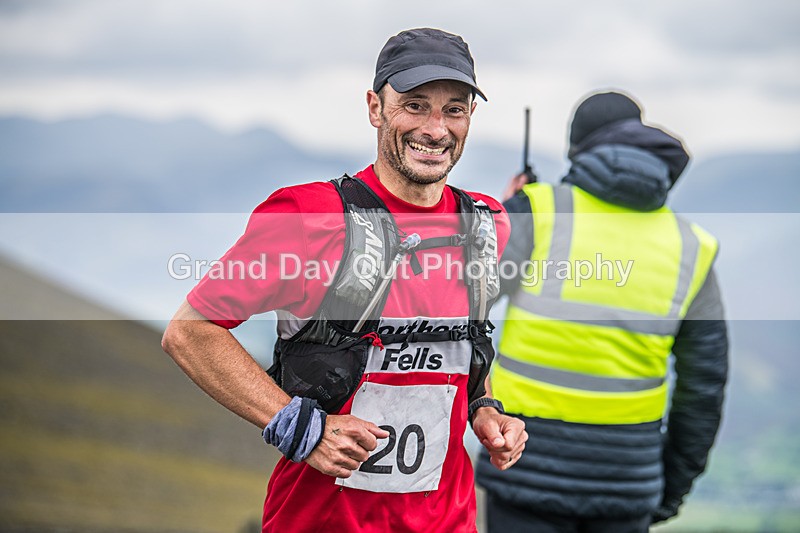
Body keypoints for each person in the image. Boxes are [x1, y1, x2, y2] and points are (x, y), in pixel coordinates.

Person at [161, 28, 527, 533]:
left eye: (455, 109)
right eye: (415, 106)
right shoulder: (305, 216)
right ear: (375, 108)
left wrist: (483, 407)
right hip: (319, 521)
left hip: (450, 521)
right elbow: (191, 332)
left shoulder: (486, 222)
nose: (436, 129)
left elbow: (460, 346)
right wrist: (303, 429)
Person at [476, 91, 728, 532]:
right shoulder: (691, 247)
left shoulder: (540, 211)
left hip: (519, 468)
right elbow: (704, 388)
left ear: (577, 152)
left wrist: (503, 218)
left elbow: (455, 310)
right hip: (627, 487)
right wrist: (668, 491)